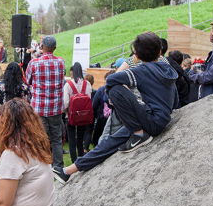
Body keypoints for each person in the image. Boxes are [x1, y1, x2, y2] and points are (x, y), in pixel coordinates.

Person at [52, 32, 177, 185]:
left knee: (114, 89)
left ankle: (139, 135)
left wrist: (114, 97)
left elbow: (111, 79)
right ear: (160, 52)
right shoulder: (165, 67)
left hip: (151, 122)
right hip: (155, 118)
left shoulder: (142, 71)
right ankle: (68, 171)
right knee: (110, 142)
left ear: (135, 56)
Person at [26, 35, 66, 169]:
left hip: (39, 108)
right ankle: (58, 166)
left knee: (41, 138)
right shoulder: (61, 62)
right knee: (56, 138)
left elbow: (28, 81)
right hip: (56, 108)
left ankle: (43, 166)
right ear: (54, 48)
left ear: (41, 47)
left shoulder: (34, 63)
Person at [63, 63, 92, 163]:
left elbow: (66, 102)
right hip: (83, 115)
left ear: (72, 71)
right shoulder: (86, 84)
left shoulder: (68, 84)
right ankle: (81, 159)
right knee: (80, 139)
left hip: (70, 116)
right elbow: (89, 98)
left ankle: (74, 161)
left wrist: (64, 112)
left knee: (71, 140)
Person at [92, 71, 115, 146]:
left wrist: (96, 115)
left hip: (102, 118)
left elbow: (94, 104)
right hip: (114, 118)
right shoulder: (118, 90)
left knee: (97, 139)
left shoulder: (102, 90)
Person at [83, 74, 97, 152]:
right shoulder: (94, 91)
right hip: (91, 113)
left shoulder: (82, 91)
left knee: (84, 130)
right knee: (89, 131)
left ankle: (83, 145)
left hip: (82, 113)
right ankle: (86, 148)